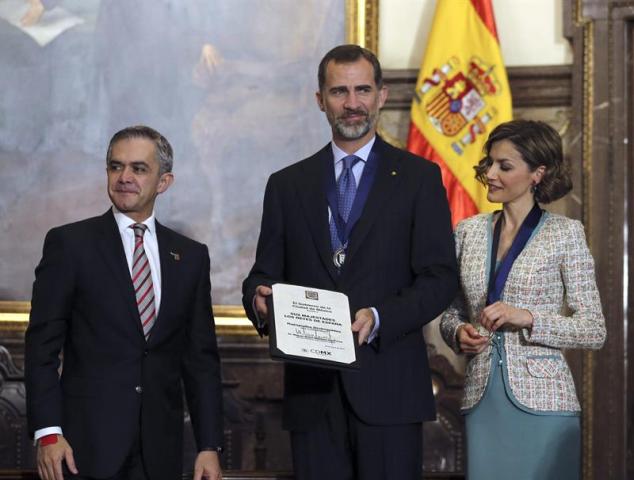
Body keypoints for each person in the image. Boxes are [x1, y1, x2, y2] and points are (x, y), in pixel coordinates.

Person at [242, 44, 458, 480]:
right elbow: (263, 275)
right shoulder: (286, 184)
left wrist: (380, 317)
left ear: (382, 95)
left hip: (390, 387)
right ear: (320, 100)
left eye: (362, 90)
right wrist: (259, 299)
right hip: (312, 394)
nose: (352, 103)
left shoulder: (419, 178)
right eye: (339, 91)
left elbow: (439, 278)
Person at [25, 125, 224, 480]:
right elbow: (40, 348)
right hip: (81, 449)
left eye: (138, 168)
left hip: (160, 453)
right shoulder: (70, 245)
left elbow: (201, 360)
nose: (124, 177)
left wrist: (209, 446)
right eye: (116, 167)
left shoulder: (191, 257)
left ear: (164, 182)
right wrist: (48, 433)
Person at [440, 120, 606, 479]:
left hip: (545, 402)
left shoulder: (566, 233)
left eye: (505, 166)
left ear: (537, 173)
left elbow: (593, 329)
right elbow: (451, 311)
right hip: (481, 399)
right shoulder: (467, 231)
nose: (490, 173)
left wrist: (528, 317)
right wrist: (458, 333)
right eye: (489, 163)